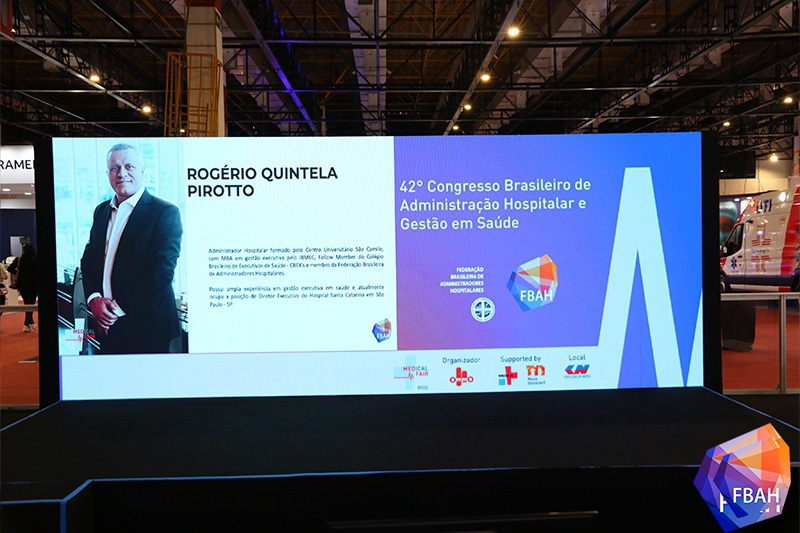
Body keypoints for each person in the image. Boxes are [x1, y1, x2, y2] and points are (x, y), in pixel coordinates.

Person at [81, 143, 183, 354]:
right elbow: (89, 260)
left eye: (129, 166)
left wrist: (114, 310)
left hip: (147, 326)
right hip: (106, 325)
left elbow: (161, 273)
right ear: (108, 173)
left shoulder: (164, 212)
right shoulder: (101, 211)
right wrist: (94, 299)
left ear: (142, 172)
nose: (121, 173)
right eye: (114, 168)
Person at [9, 244, 38, 332]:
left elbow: (10, 268)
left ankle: (30, 322)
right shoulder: (36, 259)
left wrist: (18, 272)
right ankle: (26, 323)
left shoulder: (19, 259)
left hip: (22, 285)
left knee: (27, 304)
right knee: (30, 304)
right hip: (34, 285)